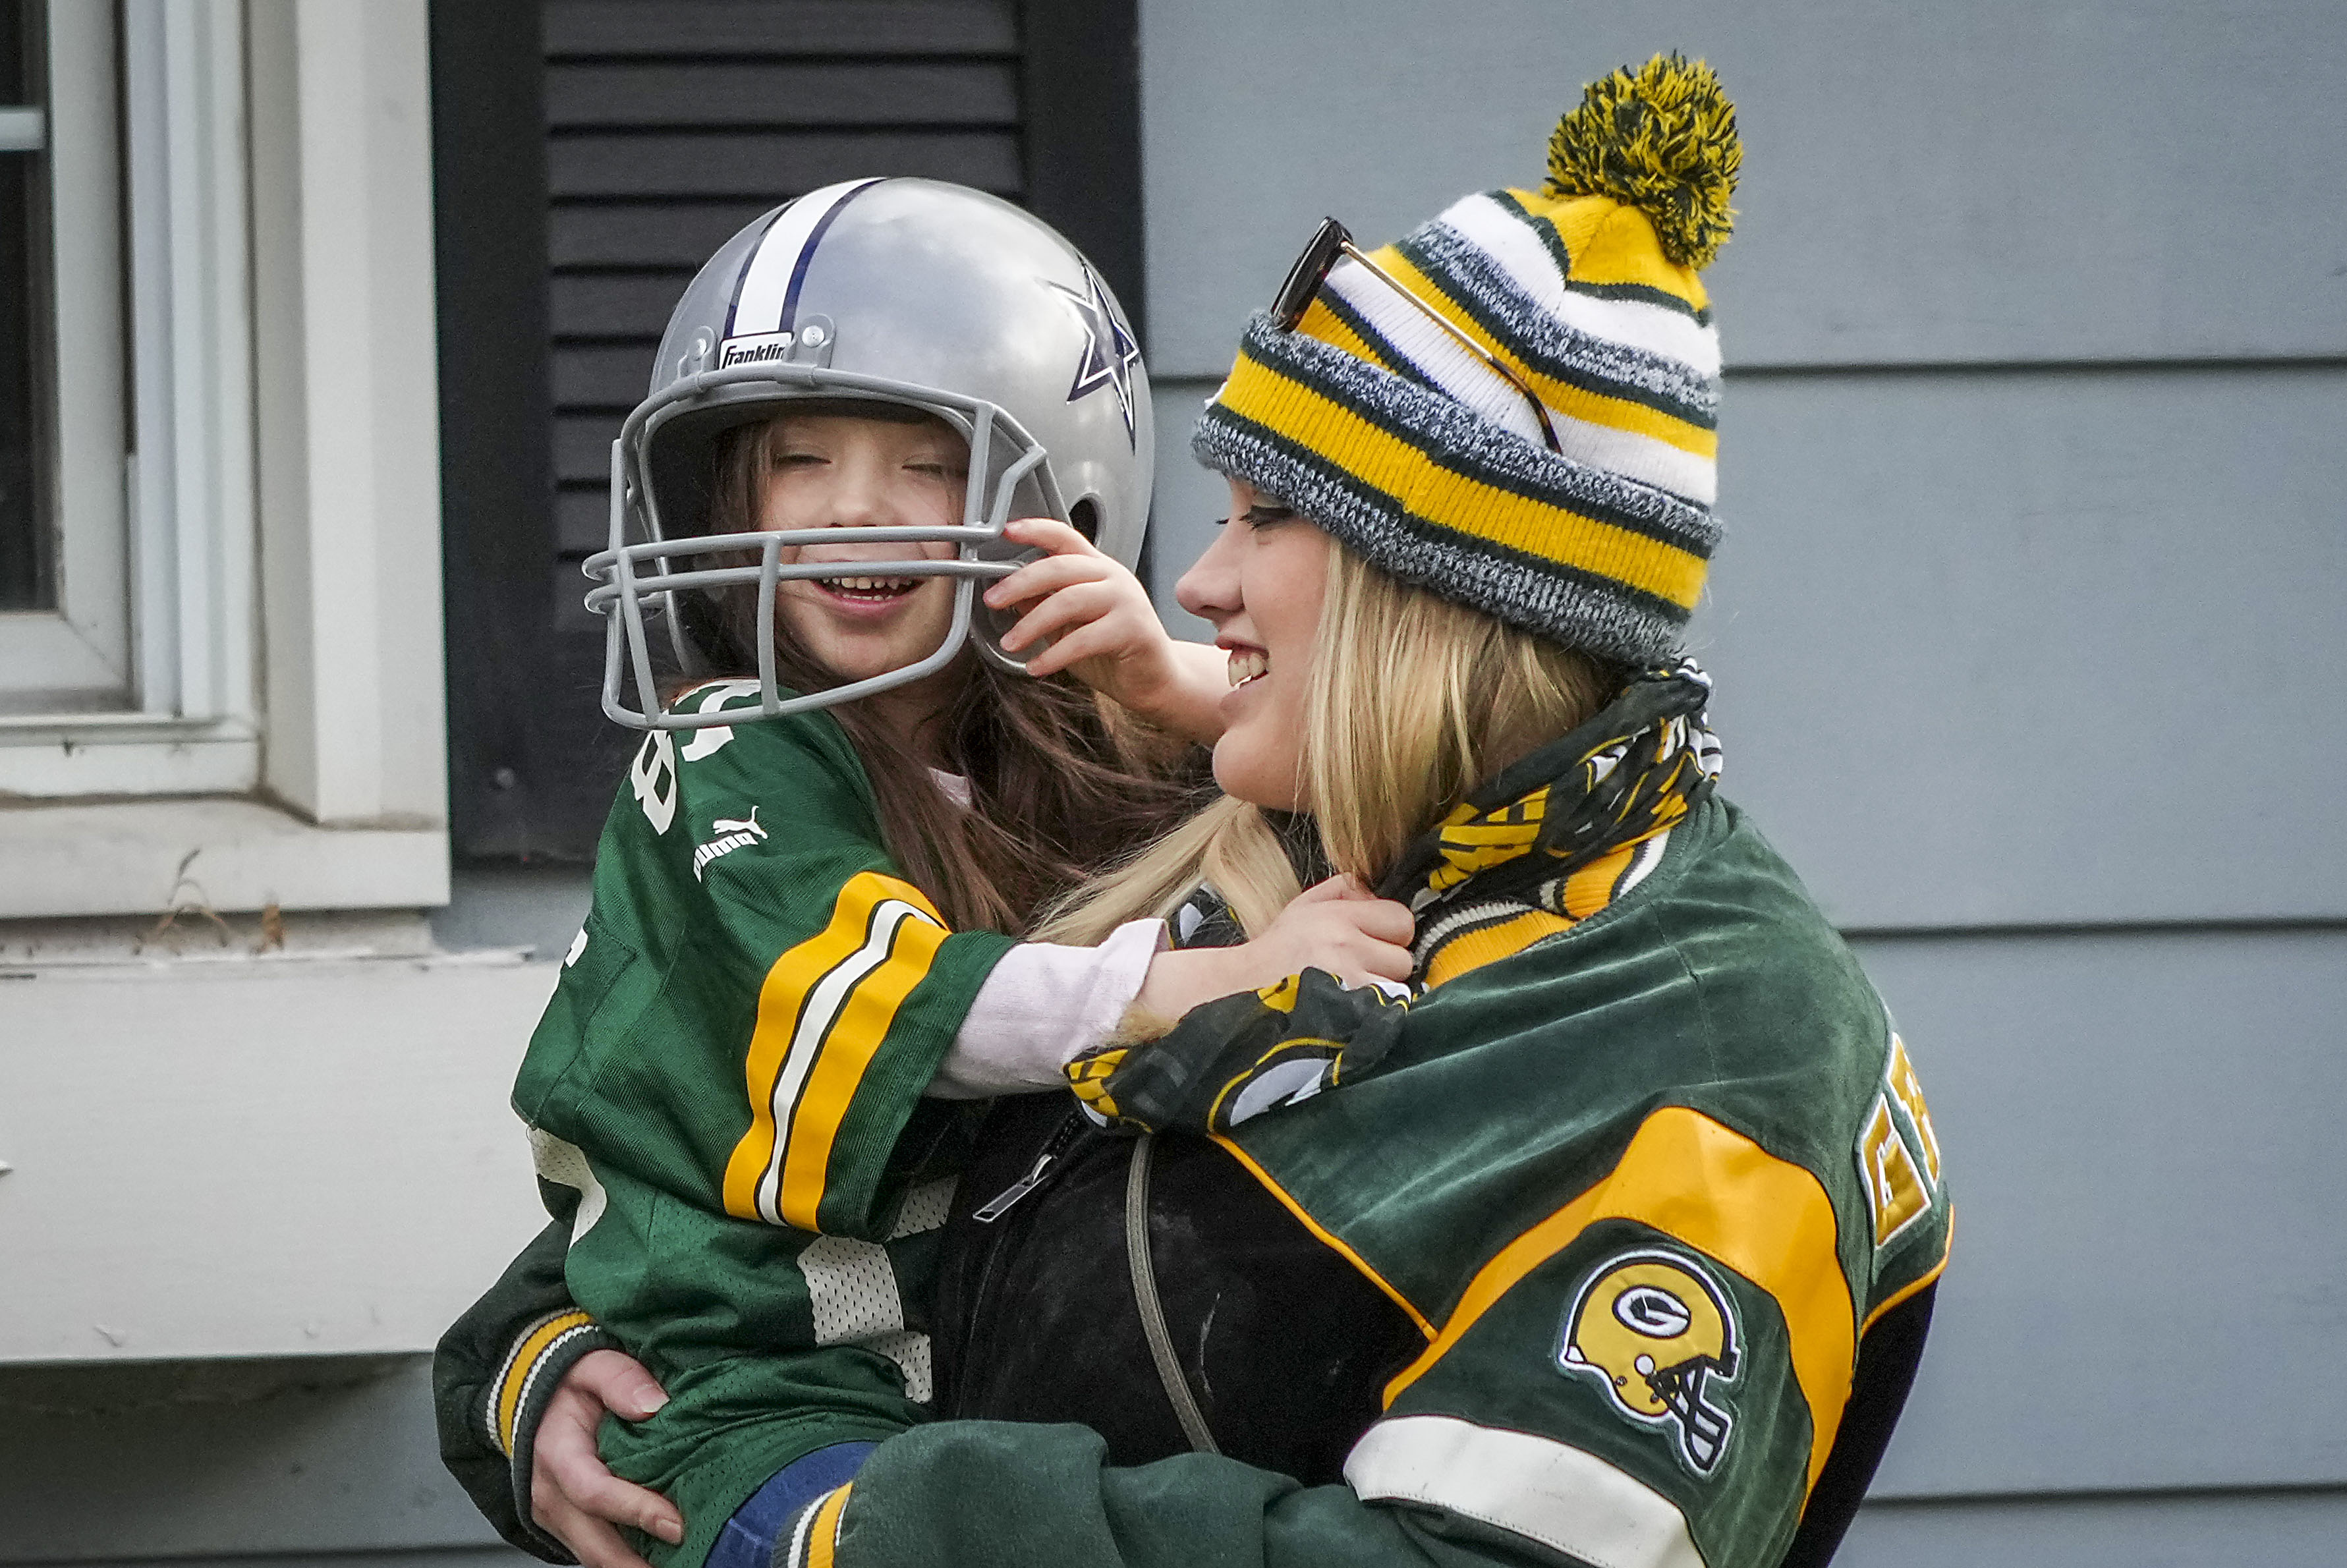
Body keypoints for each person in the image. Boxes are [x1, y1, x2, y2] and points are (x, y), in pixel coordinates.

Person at [458, 56, 1954, 1568]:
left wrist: (885, 1525)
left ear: (1424, 578)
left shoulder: (1711, 1042)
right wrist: (536, 1358)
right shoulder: (1269, 831)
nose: (1195, 582)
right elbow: (765, 1147)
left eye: (1268, 517)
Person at [433, 179, 1416, 1568]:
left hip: (1001, 1406)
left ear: (1061, 487)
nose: (851, 513)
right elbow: (915, 1008)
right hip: (764, 1402)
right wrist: (1225, 980)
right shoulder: (730, 754)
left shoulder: (1099, 751)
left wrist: (1161, 676)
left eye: (921, 459)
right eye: (795, 458)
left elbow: (1349, 750)